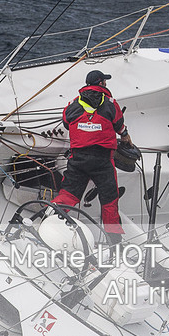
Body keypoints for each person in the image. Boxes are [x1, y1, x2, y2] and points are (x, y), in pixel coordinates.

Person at [55, 70, 131, 236]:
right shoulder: (110, 103)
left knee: (68, 196)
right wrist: (125, 137)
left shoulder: (74, 104)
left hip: (78, 159)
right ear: (102, 83)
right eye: (105, 81)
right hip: (102, 161)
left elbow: (67, 122)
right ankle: (114, 239)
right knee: (109, 200)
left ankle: (49, 223)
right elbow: (119, 125)